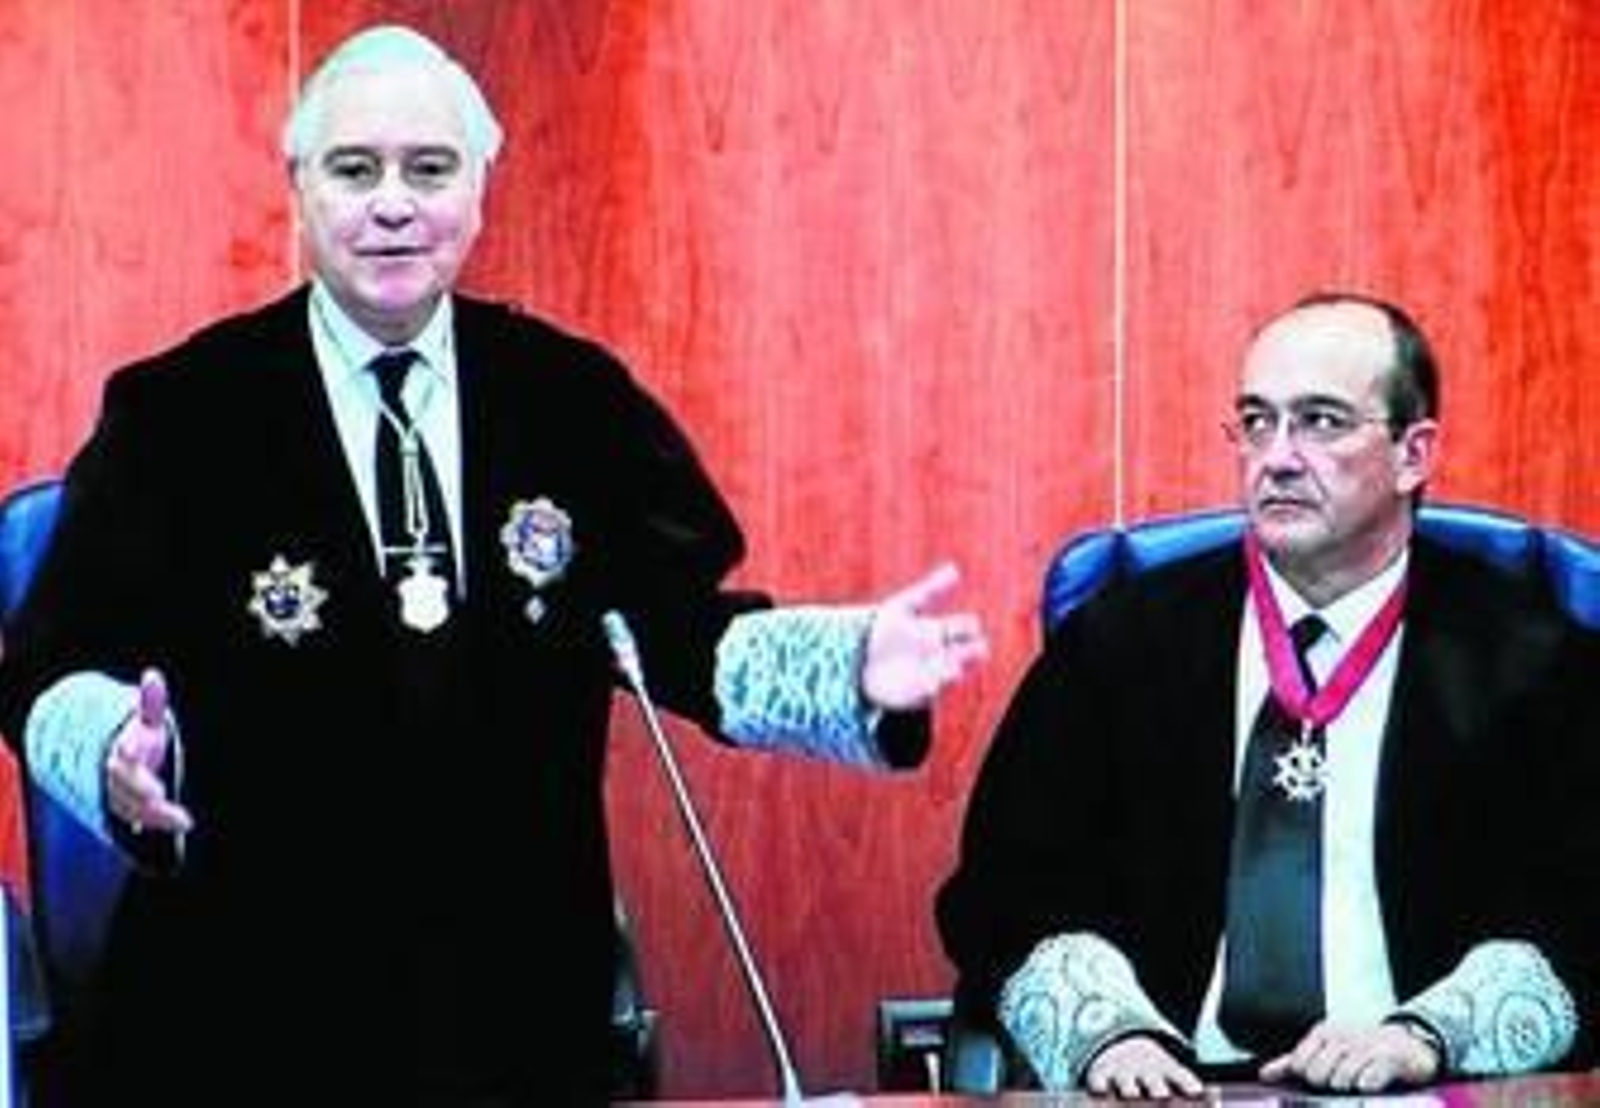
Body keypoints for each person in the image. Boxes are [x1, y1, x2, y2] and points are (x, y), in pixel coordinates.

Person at [0, 24, 988, 1106]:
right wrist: (111, 758)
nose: (392, 203)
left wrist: (847, 666)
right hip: (242, 1014)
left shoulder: (570, 399)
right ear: (299, 184)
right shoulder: (181, 414)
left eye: (428, 169)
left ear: (478, 188)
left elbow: (677, 637)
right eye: (354, 168)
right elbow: (48, 663)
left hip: (521, 1007)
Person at [936, 291, 1600, 1098]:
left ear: (1413, 454)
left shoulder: (1531, 659)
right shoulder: (1120, 643)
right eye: (1256, 421)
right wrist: (1109, 1037)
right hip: (1175, 1087)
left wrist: (1425, 1037)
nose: (1277, 456)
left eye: (1321, 421)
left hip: (1424, 1087)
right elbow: (1008, 893)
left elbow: (1582, 914)